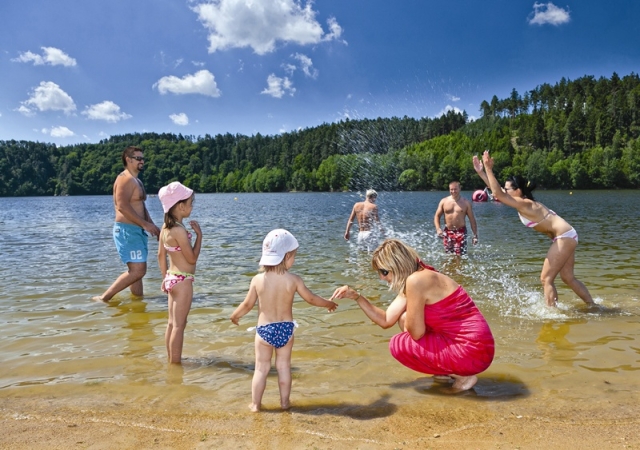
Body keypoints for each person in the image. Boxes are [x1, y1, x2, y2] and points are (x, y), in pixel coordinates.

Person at [331, 239, 494, 391]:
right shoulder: (421, 275)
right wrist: (356, 297)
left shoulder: (416, 281)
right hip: (480, 348)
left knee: (399, 344)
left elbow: (416, 333)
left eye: (384, 271)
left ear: (398, 265)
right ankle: (445, 373)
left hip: (472, 351)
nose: (382, 278)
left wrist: (407, 317)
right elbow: (386, 320)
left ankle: (462, 377)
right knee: (403, 319)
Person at [230, 229, 338, 412]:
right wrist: (328, 303)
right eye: (293, 256)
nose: (293, 260)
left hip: (264, 331)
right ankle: (285, 403)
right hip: (286, 330)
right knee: (284, 367)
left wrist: (235, 315)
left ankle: (255, 405)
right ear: (286, 256)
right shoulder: (294, 280)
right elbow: (311, 298)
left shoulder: (257, 280)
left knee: (261, 369)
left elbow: (247, 304)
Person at [473, 150, 594, 307]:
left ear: (518, 191)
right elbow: (498, 191)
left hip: (564, 236)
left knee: (546, 278)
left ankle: (552, 315)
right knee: (567, 277)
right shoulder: (522, 201)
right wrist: (481, 172)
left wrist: (489, 169)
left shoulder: (525, 203)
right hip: (567, 235)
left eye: (508, 189)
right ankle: (593, 306)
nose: (504, 191)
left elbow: (498, 193)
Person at [93, 146, 160, 303]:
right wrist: (144, 224)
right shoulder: (124, 179)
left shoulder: (136, 180)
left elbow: (141, 207)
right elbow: (122, 206)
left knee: (136, 272)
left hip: (137, 230)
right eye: (139, 158)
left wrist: (152, 225)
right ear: (128, 160)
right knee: (138, 271)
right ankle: (104, 298)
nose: (142, 161)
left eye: (143, 158)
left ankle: (137, 303)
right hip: (127, 231)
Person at [157, 181, 202, 364]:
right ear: (181, 206)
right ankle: (176, 364)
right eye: (191, 203)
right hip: (183, 281)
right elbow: (191, 259)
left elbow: (160, 256)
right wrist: (199, 237)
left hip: (171, 278)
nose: (192, 206)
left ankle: (170, 361)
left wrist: (164, 278)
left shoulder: (165, 229)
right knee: (179, 326)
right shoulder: (179, 231)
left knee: (171, 324)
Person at [434, 181, 478, 255]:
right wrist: (438, 229)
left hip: (460, 232)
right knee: (448, 255)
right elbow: (437, 216)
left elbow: (472, 220)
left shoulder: (466, 203)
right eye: (451, 189)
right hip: (447, 231)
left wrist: (475, 235)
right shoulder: (444, 201)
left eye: (455, 189)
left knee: (459, 255)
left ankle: (459, 266)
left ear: (460, 189)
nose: (453, 191)